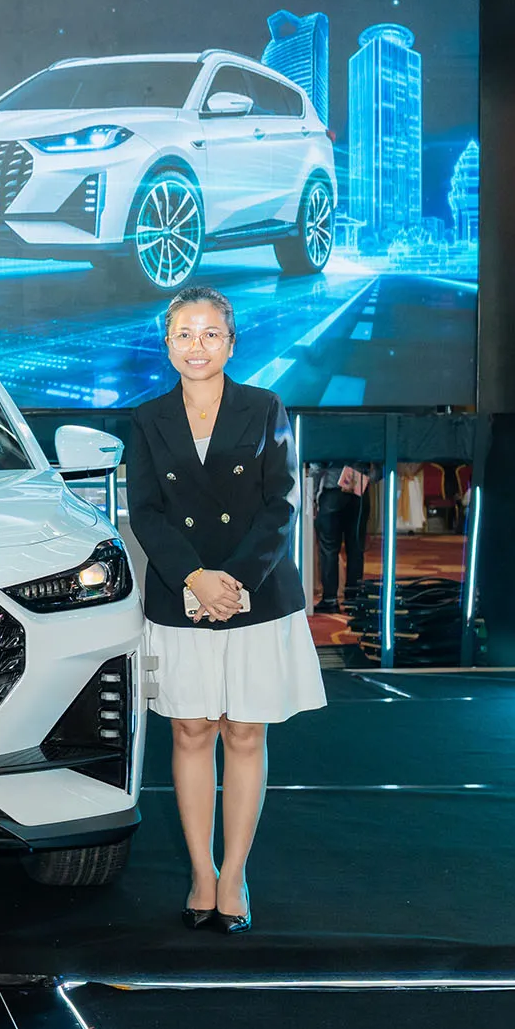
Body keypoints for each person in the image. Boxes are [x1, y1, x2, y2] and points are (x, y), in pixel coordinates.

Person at [126, 286, 326, 934]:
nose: (198, 346)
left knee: (244, 732)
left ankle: (234, 873)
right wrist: (194, 577)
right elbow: (146, 511)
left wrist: (232, 581)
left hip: (255, 593)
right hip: (179, 592)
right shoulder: (147, 418)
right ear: (168, 344)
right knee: (191, 731)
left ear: (231, 344)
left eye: (211, 334)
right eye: (185, 334)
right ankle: (201, 873)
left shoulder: (265, 407)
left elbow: (281, 503)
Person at [311, 462, 372, 612]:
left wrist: (312, 494)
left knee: (329, 548)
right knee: (356, 548)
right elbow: (378, 462)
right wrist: (369, 477)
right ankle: (354, 599)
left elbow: (317, 465)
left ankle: (330, 599)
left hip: (332, 491)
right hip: (359, 489)